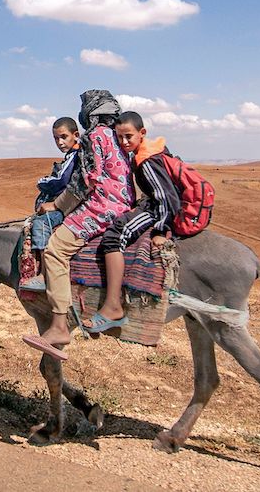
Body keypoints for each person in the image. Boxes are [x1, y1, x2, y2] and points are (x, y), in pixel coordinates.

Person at [22, 90, 134, 360]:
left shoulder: (95, 136)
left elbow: (86, 180)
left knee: (55, 249)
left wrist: (58, 205)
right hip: (123, 201)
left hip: (104, 205)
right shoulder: (115, 136)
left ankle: (59, 326)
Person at [85, 111, 181, 333]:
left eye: (128, 136)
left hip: (156, 210)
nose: (124, 142)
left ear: (142, 133)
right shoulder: (150, 151)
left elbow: (166, 197)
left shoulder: (146, 160)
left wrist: (161, 229)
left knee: (113, 237)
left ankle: (112, 307)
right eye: (119, 137)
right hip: (151, 205)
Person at [23, 117, 80, 289]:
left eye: (64, 137)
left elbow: (60, 181)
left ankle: (43, 274)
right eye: (56, 138)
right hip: (66, 202)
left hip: (68, 206)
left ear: (75, 135)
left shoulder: (74, 155)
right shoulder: (71, 155)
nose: (60, 142)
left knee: (41, 224)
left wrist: (41, 182)